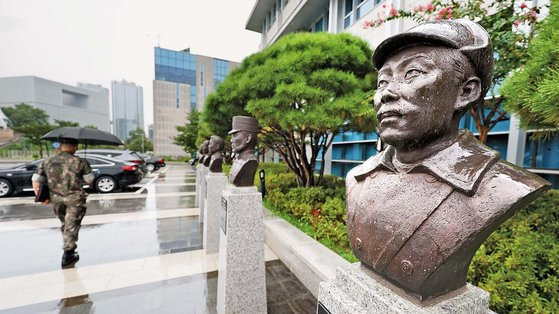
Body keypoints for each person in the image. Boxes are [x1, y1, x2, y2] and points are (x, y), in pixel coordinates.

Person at [346, 19, 550, 301]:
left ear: (465, 92)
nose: (386, 93)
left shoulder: (501, 187)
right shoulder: (358, 177)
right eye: (383, 80)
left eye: (412, 73)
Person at [31, 138, 95, 268]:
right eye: (76, 147)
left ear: (61, 147)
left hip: (56, 199)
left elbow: (36, 180)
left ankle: (68, 247)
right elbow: (89, 180)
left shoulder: (47, 161)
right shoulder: (80, 161)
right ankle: (68, 253)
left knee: (65, 223)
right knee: (71, 224)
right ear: (73, 147)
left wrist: (40, 196)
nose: (77, 149)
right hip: (75, 198)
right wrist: (87, 171)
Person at [228, 116, 259, 187]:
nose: (231, 140)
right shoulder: (238, 159)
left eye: (235, 135)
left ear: (247, 138)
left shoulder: (250, 162)